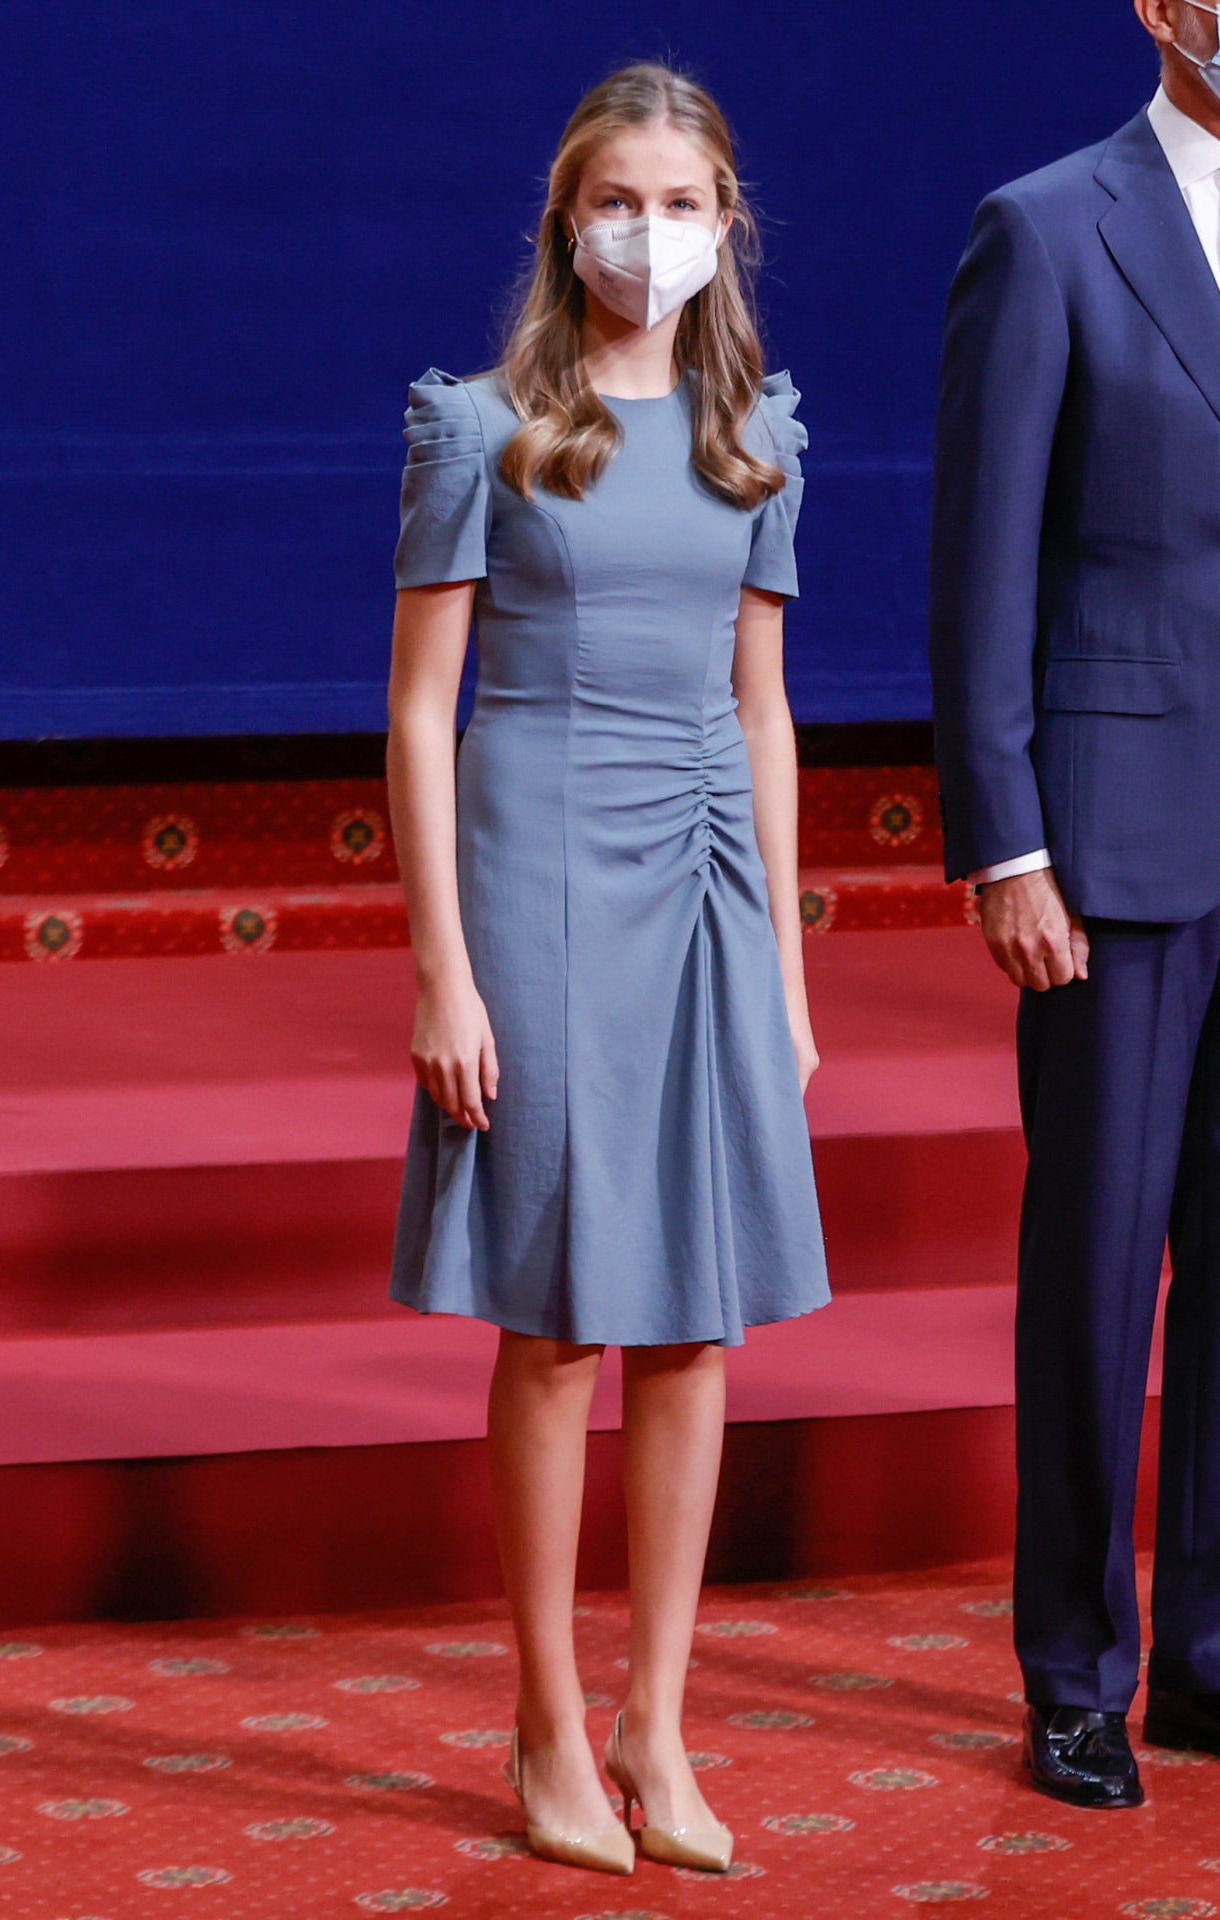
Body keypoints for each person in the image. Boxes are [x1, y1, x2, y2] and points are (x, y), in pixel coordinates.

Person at [385, 60, 828, 1877]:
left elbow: (769, 708)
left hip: (713, 869)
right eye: (620, 198)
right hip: (541, 860)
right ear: (570, 221)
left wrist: (794, 979)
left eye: (685, 200)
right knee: (561, 1318)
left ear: (728, 228)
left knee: (700, 1317)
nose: (652, 230)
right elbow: (421, 712)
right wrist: (442, 973)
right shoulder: (479, 424)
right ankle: (548, 1721)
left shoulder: (757, 439)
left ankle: (659, 1717)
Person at [930, 0, 1220, 1813]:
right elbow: (981, 560)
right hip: (1111, 842)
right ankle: (1072, 1673)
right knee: (1098, 1271)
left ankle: (1203, 1654)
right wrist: (1005, 841)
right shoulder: (1047, 226)